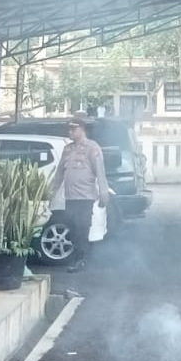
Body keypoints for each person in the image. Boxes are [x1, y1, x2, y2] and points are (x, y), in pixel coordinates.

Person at [53, 116, 110, 272]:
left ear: (82, 129)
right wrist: (49, 193)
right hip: (70, 196)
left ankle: (80, 260)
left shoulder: (93, 148)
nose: (70, 132)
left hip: (85, 197)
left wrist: (104, 193)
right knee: (72, 228)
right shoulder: (68, 149)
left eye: (73, 129)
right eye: (69, 129)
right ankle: (80, 257)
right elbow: (59, 174)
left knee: (81, 228)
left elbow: (100, 172)